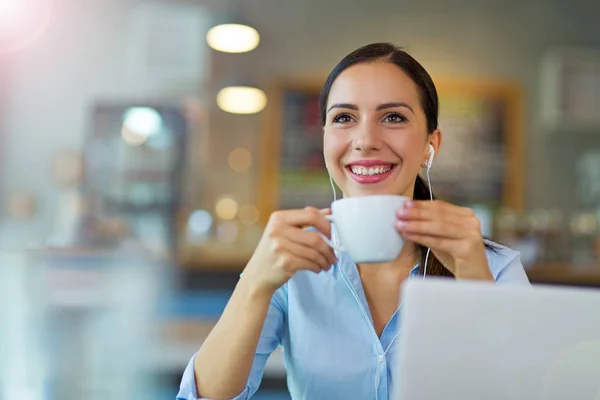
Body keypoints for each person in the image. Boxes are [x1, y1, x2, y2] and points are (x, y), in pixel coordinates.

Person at [177, 42, 530, 400]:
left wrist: (477, 285)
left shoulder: (495, 269)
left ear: (430, 145)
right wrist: (254, 281)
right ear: (326, 139)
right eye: (344, 118)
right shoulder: (291, 264)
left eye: (393, 117)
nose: (365, 141)